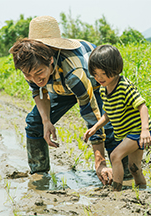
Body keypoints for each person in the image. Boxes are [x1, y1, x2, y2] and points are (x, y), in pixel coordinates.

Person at [9, 16, 130, 185]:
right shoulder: (30, 63)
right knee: (35, 122)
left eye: (38, 73)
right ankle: (39, 174)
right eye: (28, 74)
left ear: (50, 58)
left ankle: (126, 174)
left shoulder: (74, 72)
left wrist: (99, 162)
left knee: (110, 126)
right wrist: (46, 121)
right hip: (62, 86)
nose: (33, 78)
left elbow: (90, 113)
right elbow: (39, 92)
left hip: (94, 84)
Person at [83, 45, 151, 191]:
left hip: (138, 131)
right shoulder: (103, 89)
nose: (99, 78)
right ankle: (143, 189)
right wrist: (95, 127)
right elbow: (108, 113)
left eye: (103, 73)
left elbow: (142, 106)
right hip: (129, 133)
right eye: (95, 74)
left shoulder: (124, 86)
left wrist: (145, 130)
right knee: (133, 167)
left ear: (116, 69)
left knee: (115, 156)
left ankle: (116, 190)